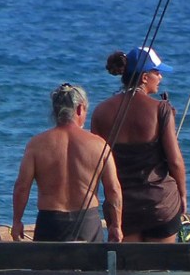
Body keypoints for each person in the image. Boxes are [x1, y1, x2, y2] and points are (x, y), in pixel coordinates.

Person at [91, 46, 187, 243]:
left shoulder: (101, 112)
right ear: (144, 77)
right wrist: (183, 196)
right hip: (161, 205)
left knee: (129, 271)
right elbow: (175, 161)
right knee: (160, 269)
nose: (160, 77)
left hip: (123, 209)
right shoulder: (161, 109)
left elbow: (96, 164)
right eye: (157, 72)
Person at [12, 83, 122, 242]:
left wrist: (17, 221)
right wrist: (116, 225)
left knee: (48, 267)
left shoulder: (36, 144)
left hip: (50, 223)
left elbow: (22, 187)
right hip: (87, 222)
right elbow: (114, 189)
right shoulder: (99, 145)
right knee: (91, 267)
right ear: (79, 109)